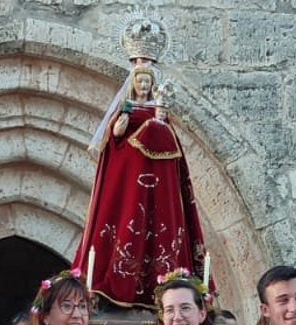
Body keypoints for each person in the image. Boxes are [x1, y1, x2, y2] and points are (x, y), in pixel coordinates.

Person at [76, 64, 208, 309]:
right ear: (133, 85)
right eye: (140, 82)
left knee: (160, 224)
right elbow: (115, 139)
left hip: (158, 184)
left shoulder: (159, 110)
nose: (144, 86)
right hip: (128, 181)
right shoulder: (126, 109)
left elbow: (170, 147)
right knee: (126, 222)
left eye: (148, 82)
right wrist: (123, 125)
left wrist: (158, 122)